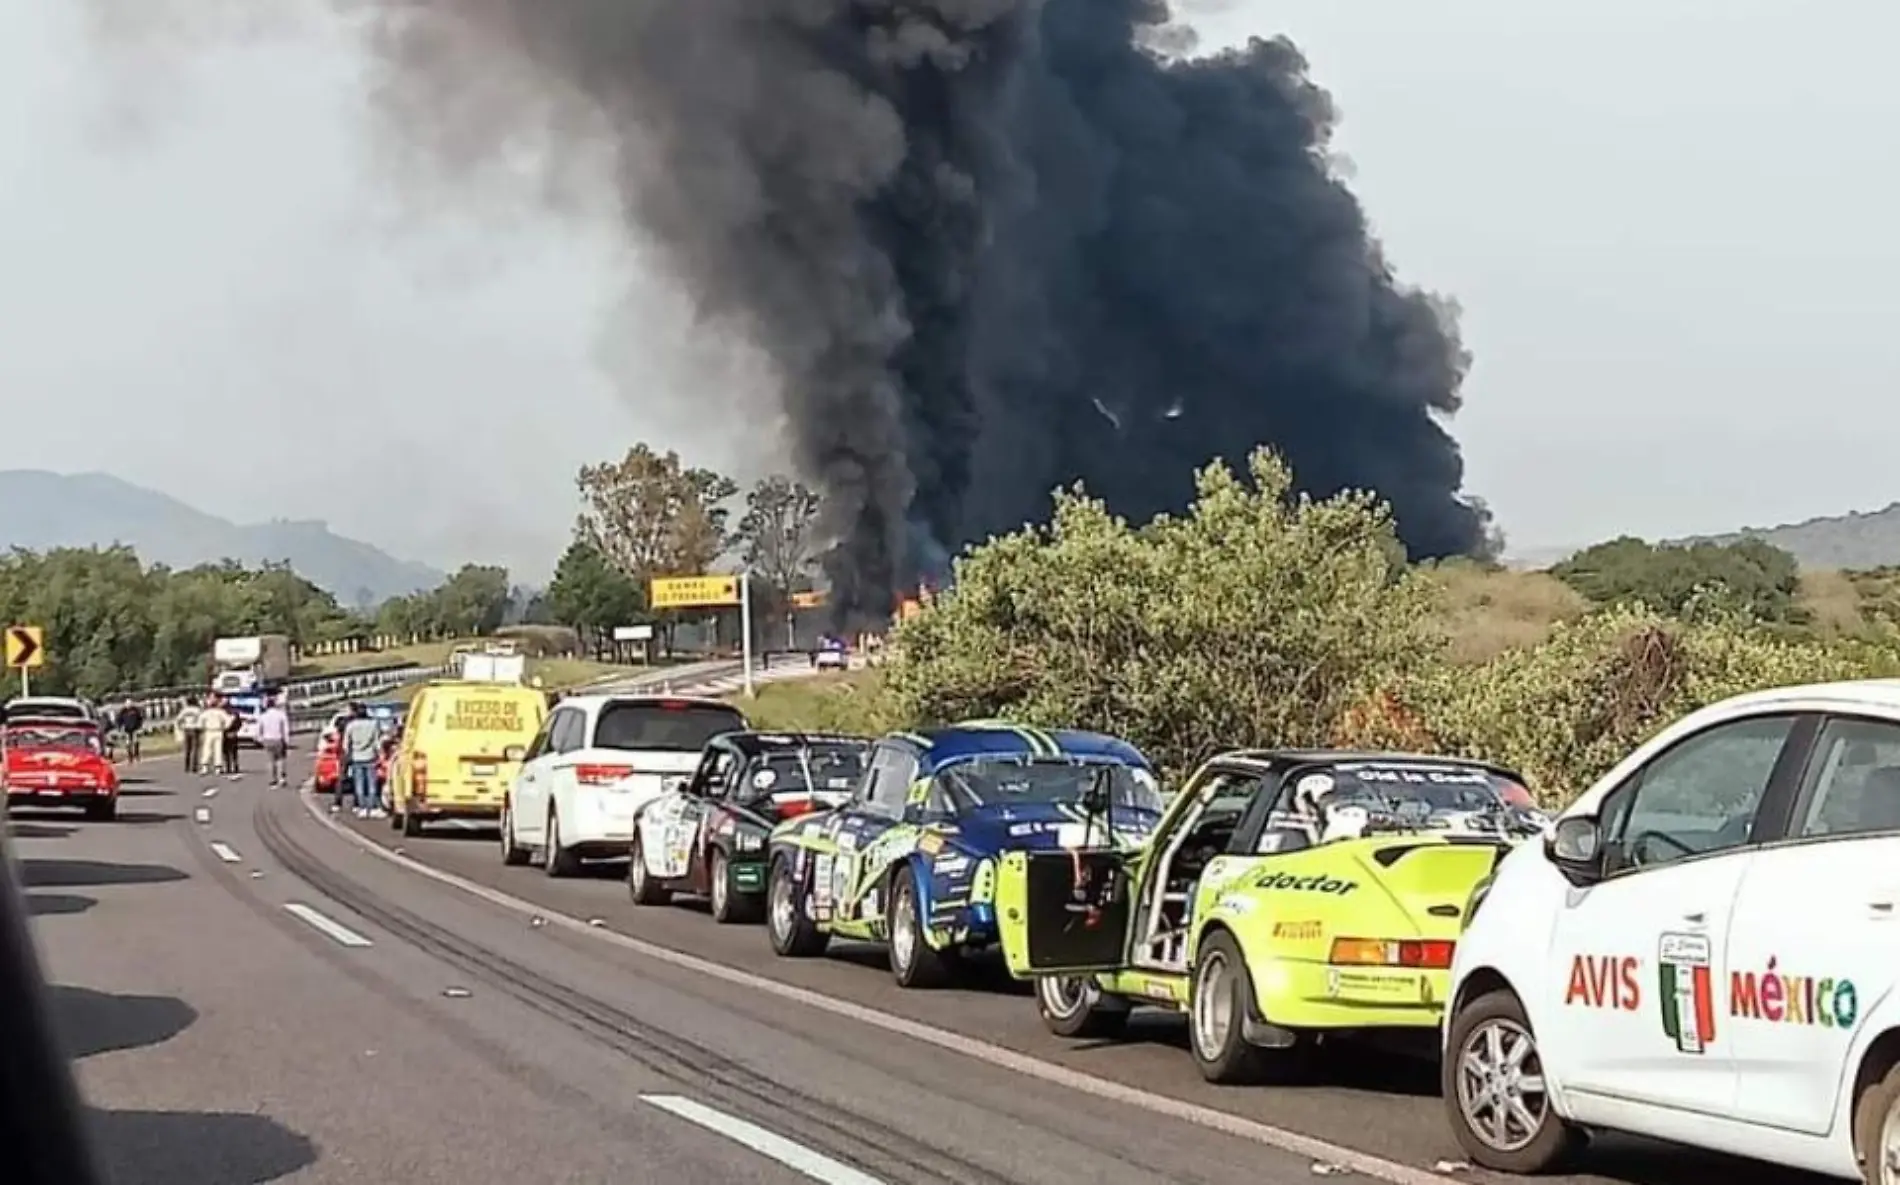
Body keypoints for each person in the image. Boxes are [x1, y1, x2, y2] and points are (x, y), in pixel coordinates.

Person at [338, 703, 385, 820]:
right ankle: (372, 807)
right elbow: (377, 742)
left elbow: (345, 744)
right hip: (370, 757)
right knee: (371, 784)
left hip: (356, 757)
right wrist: (380, 754)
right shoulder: (373, 724)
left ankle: (362, 808)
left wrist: (349, 754)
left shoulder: (351, 726)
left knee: (359, 784)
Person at [256, 694, 292, 788]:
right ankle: (282, 778)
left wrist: (260, 739)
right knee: (280, 759)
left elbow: (259, 729)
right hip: (278, 739)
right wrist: (286, 740)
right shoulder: (281, 715)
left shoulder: (263, 716)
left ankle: (273, 779)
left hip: (267, 740)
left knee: (270, 760)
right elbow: (285, 728)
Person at [196, 695, 231, 777]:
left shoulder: (205, 713)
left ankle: (205, 766)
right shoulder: (221, 712)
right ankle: (217, 767)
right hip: (218, 731)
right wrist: (224, 727)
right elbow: (229, 720)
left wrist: (202, 728)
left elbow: (199, 723)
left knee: (207, 749)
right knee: (217, 749)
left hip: (209, 731)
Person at [175, 698, 202, 774]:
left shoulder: (185, 710)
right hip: (195, 728)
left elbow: (179, 719)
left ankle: (187, 766)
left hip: (186, 728)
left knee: (187, 749)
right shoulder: (197, 710)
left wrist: (180, 727)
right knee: (195, 749)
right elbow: (201, 719)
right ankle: (194, 767)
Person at [221, 703, 242, 777]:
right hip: (232, 734)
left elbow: (239, 723)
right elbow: (239, 724)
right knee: (232, 752)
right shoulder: (235, 715)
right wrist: (236, 731)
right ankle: (233, 767)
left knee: (227, 752)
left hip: (226, 734)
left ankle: (229, 767)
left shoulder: (223, 715)